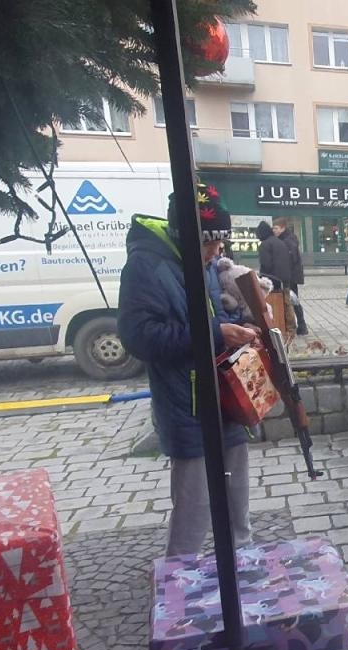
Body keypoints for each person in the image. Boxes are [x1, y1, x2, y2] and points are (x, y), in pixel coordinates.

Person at [118, 185, 259, 555]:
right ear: (183, 236)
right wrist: (216, 333)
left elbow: (214, 315)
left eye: (220, 242)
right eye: (209, 243)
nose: (217, 252)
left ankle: (242, 567)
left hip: (227, 398)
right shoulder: (145, 266)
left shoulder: (206, 265)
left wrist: (241, 327)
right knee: (194, 507)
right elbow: (139, 338)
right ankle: (181, 582)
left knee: (237, 500)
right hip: (185, 405)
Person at [272, 217, 309, 335]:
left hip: (290, 276)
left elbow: (291, 259)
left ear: (283, 228)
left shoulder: (288, 241)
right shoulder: (286, 239)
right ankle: (300, 325)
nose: (274, 230)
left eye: (276, 228)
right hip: (290, 275)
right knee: (293, 300)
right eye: (273, 228)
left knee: (293, 300)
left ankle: (302, 325)